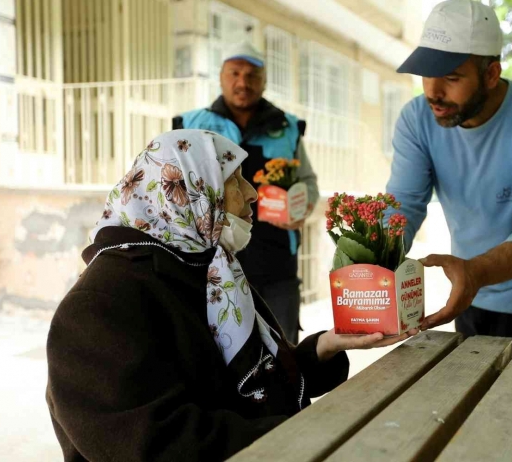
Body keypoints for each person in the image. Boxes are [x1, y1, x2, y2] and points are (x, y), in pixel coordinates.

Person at [45, 130, 414, 461]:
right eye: (234, 179)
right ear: (190, 192)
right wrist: (309, 433)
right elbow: (155, 444)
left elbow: (247, 385)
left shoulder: (208, 269)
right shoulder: (99, 305)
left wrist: (326, 347)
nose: (253, 193)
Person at [387, 0, 512, 351]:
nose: (433, 92)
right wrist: (375, 257)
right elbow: (405, 203)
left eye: (451, 77)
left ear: (491, 74)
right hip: (467, 290)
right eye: (427, 74)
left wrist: (476, 272)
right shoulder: (417, 119)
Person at [173, 41, 315, 344]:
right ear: (221, 77)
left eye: (252, 75)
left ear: (263, 82)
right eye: (234, 73)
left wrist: (302, 207)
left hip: (277, 263)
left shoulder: (287, 127)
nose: (243, 82)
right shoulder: (190, 125)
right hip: (212, 259)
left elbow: (308, 181)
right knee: (220, 349)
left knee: (284, 347)